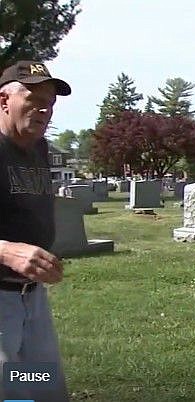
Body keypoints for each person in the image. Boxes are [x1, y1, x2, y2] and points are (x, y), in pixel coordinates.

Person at [0, 60, 72, 402]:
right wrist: (5, 250)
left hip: (32, 299)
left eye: (51, 103)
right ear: (4, 101)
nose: (45, 109)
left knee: (43, 389)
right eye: (33, 99)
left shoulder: (39, 148)